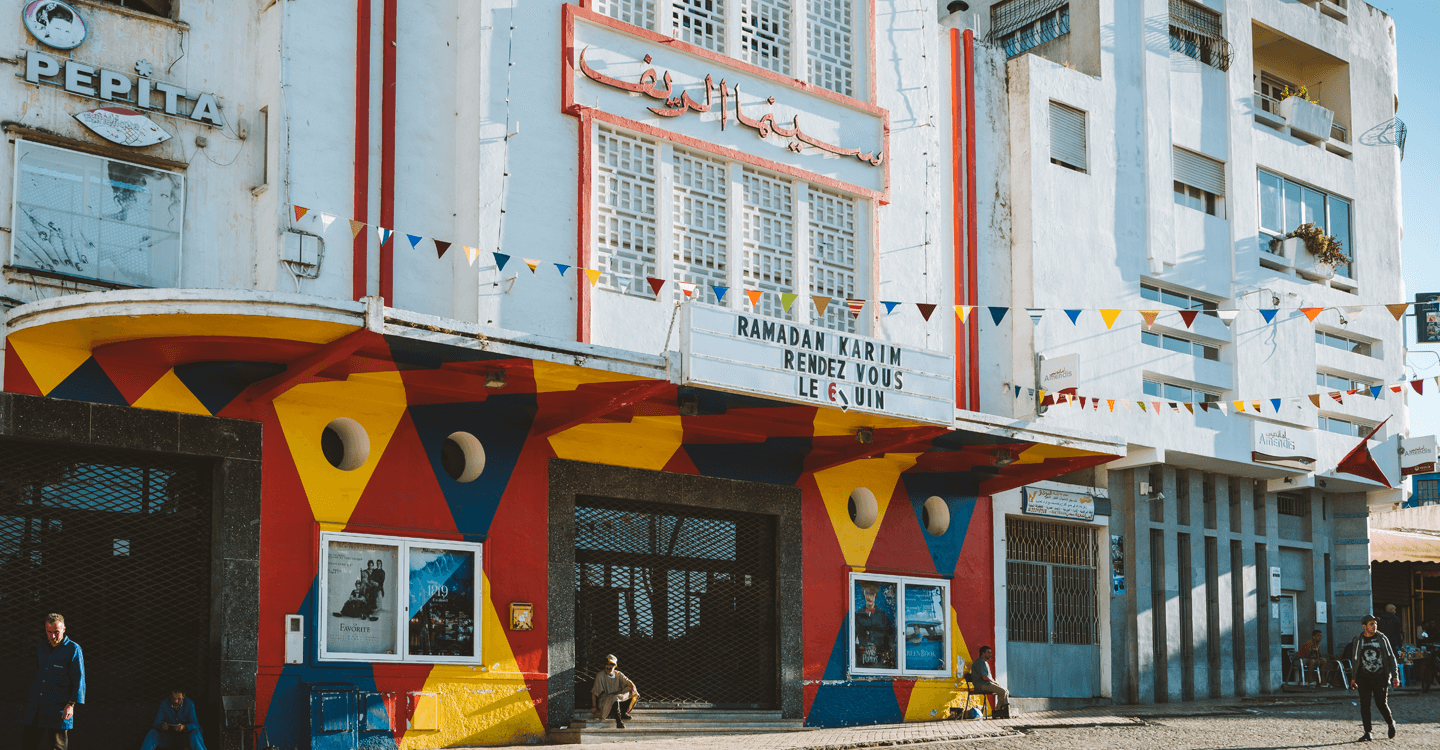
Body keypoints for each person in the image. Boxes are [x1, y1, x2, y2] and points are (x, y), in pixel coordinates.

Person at [22, 613, 85, 750]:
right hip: (37, 706)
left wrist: (71, 704)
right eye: (49, 632)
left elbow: (79, 679)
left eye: (56, 632)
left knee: (57, 747)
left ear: (64, 629)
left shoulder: (73, 649)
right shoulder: (41, 648)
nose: (53, 636)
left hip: (58, 708)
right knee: (28, 744)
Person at [1349, 614, 1400, 742]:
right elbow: (1355, 660)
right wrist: (1353, 678)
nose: (1375, 626)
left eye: (1375, 623)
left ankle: (1390, 722)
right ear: (1364, 626)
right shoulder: (1358, 640)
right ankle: (1368, 732)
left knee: (1381, 703)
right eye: (1371, 624)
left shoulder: (1382, 638)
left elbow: (1391, 657)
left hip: (1380, 677)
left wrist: (1395, 676)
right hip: (1363, 678)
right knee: (1364, 705)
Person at [140, 689, 206, 750]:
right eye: (173, 698)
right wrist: (162, 726)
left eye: (179, 699)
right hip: (169, 738)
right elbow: (156, 723)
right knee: (153, 732)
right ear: (170, 696)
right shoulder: (164, 703)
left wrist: (184, 727)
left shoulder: (189, 704)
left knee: (196, 733)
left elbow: (196, 724)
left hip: (186, 738)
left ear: (183, 696)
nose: (176, 701)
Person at [854, 582, 896, 669]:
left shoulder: (883, 616)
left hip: (878, 661)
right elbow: (851, 636)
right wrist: (858, 648)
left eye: (872, 594)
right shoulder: (857, 615)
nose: (869, 597)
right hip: (860, 661)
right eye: (867, 594)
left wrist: (879, 648)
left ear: (875, 595)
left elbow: (890, 637)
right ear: (864, 594)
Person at [591, 654, 638, 729]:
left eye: (611, 664)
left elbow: (629, 682)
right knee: (615, 698)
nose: (609, 666)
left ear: (615, 666)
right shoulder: (600, 675)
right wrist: (594, 706)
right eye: (607, 664)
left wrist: (633, 687)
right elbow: (594, 693)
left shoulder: (618, 674)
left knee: (631, 690)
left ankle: (623, 713)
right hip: (605, 700)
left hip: (617, 697)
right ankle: (619, 721)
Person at [968, 645, 1013, 719]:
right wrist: (995, 682)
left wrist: (994, 683)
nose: (990, 654)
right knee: (1002, 691)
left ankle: (1000, 710)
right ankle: (1001, 710)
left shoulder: (985, 662)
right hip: (981, 684)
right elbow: (984, 677)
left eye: (991, 653)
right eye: (988, 653)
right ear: (983, 653)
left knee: (1006, 691)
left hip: (987, 684)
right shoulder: (980, 662)